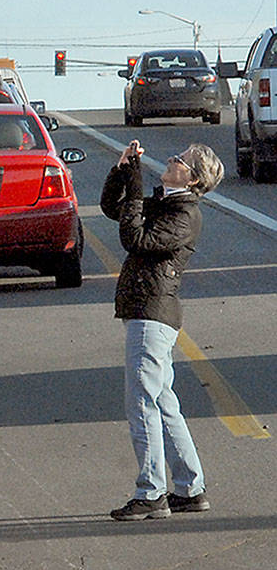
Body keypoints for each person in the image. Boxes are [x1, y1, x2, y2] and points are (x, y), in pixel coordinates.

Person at [101, 141, 224, 520]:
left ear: (193, 178)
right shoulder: (168, 202)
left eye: (182, 160)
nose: (173, 158)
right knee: (162, 403)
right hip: (146, 311)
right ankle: (190, 488)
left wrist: (135, 182)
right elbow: (114, 210)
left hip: (153, 315)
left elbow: (134, 239)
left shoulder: (184, 214)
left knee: (141, 401)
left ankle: (151, 492)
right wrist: (122, 171)